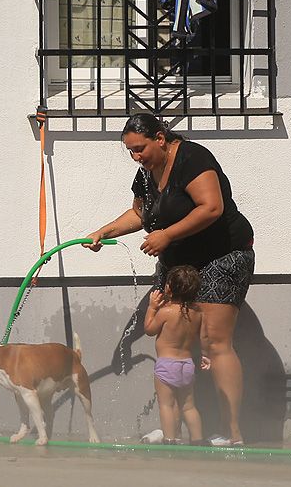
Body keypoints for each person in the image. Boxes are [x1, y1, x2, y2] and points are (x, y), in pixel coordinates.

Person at [86, 113, 254, 446]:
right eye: (131, 151)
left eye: (140, 149)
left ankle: (233, 433)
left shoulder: (193, 158)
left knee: (213, 341)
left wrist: (166, 235)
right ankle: (174, 428)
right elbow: (139, 213)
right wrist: (103, 232)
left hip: (222, 255)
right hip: (178, 263)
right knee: (175, 342)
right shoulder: (146, 174)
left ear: (160, 139)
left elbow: (211, 208)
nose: (136, 157)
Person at [142, 265, 208, 445]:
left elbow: (149, 329)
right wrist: (205, 355)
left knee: (167, 405)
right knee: (189, 406)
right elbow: (204, 336)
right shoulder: (197, 313)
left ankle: (170, 440)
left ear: (169, 288)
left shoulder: (166, 312)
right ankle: (198, 441)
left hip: (166, 365)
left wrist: (152, 307)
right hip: (187, 365)